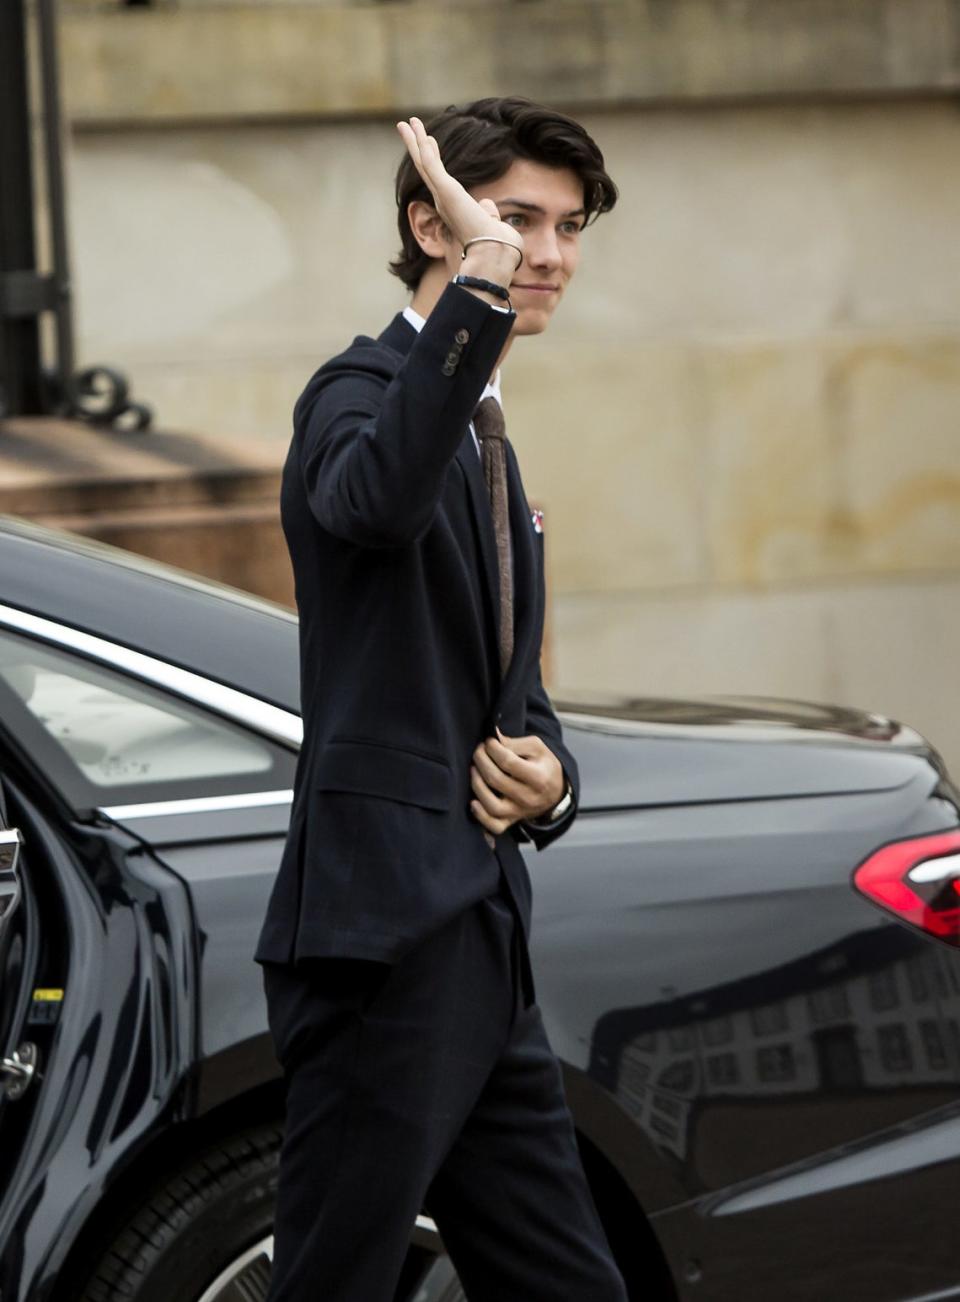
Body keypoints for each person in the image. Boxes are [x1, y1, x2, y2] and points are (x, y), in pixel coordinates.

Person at [255, 96, 626, 1302]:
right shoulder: (356, 398)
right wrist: (478, 289)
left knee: (567, 1285)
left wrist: (553, 779)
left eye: (567, 228)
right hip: (384, 937)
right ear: (434, 226)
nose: (549, 257)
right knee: (335, 1280)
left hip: (481, 930)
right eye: (517, 222)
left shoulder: (484, 430)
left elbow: (497, 677)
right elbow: (372, 505)